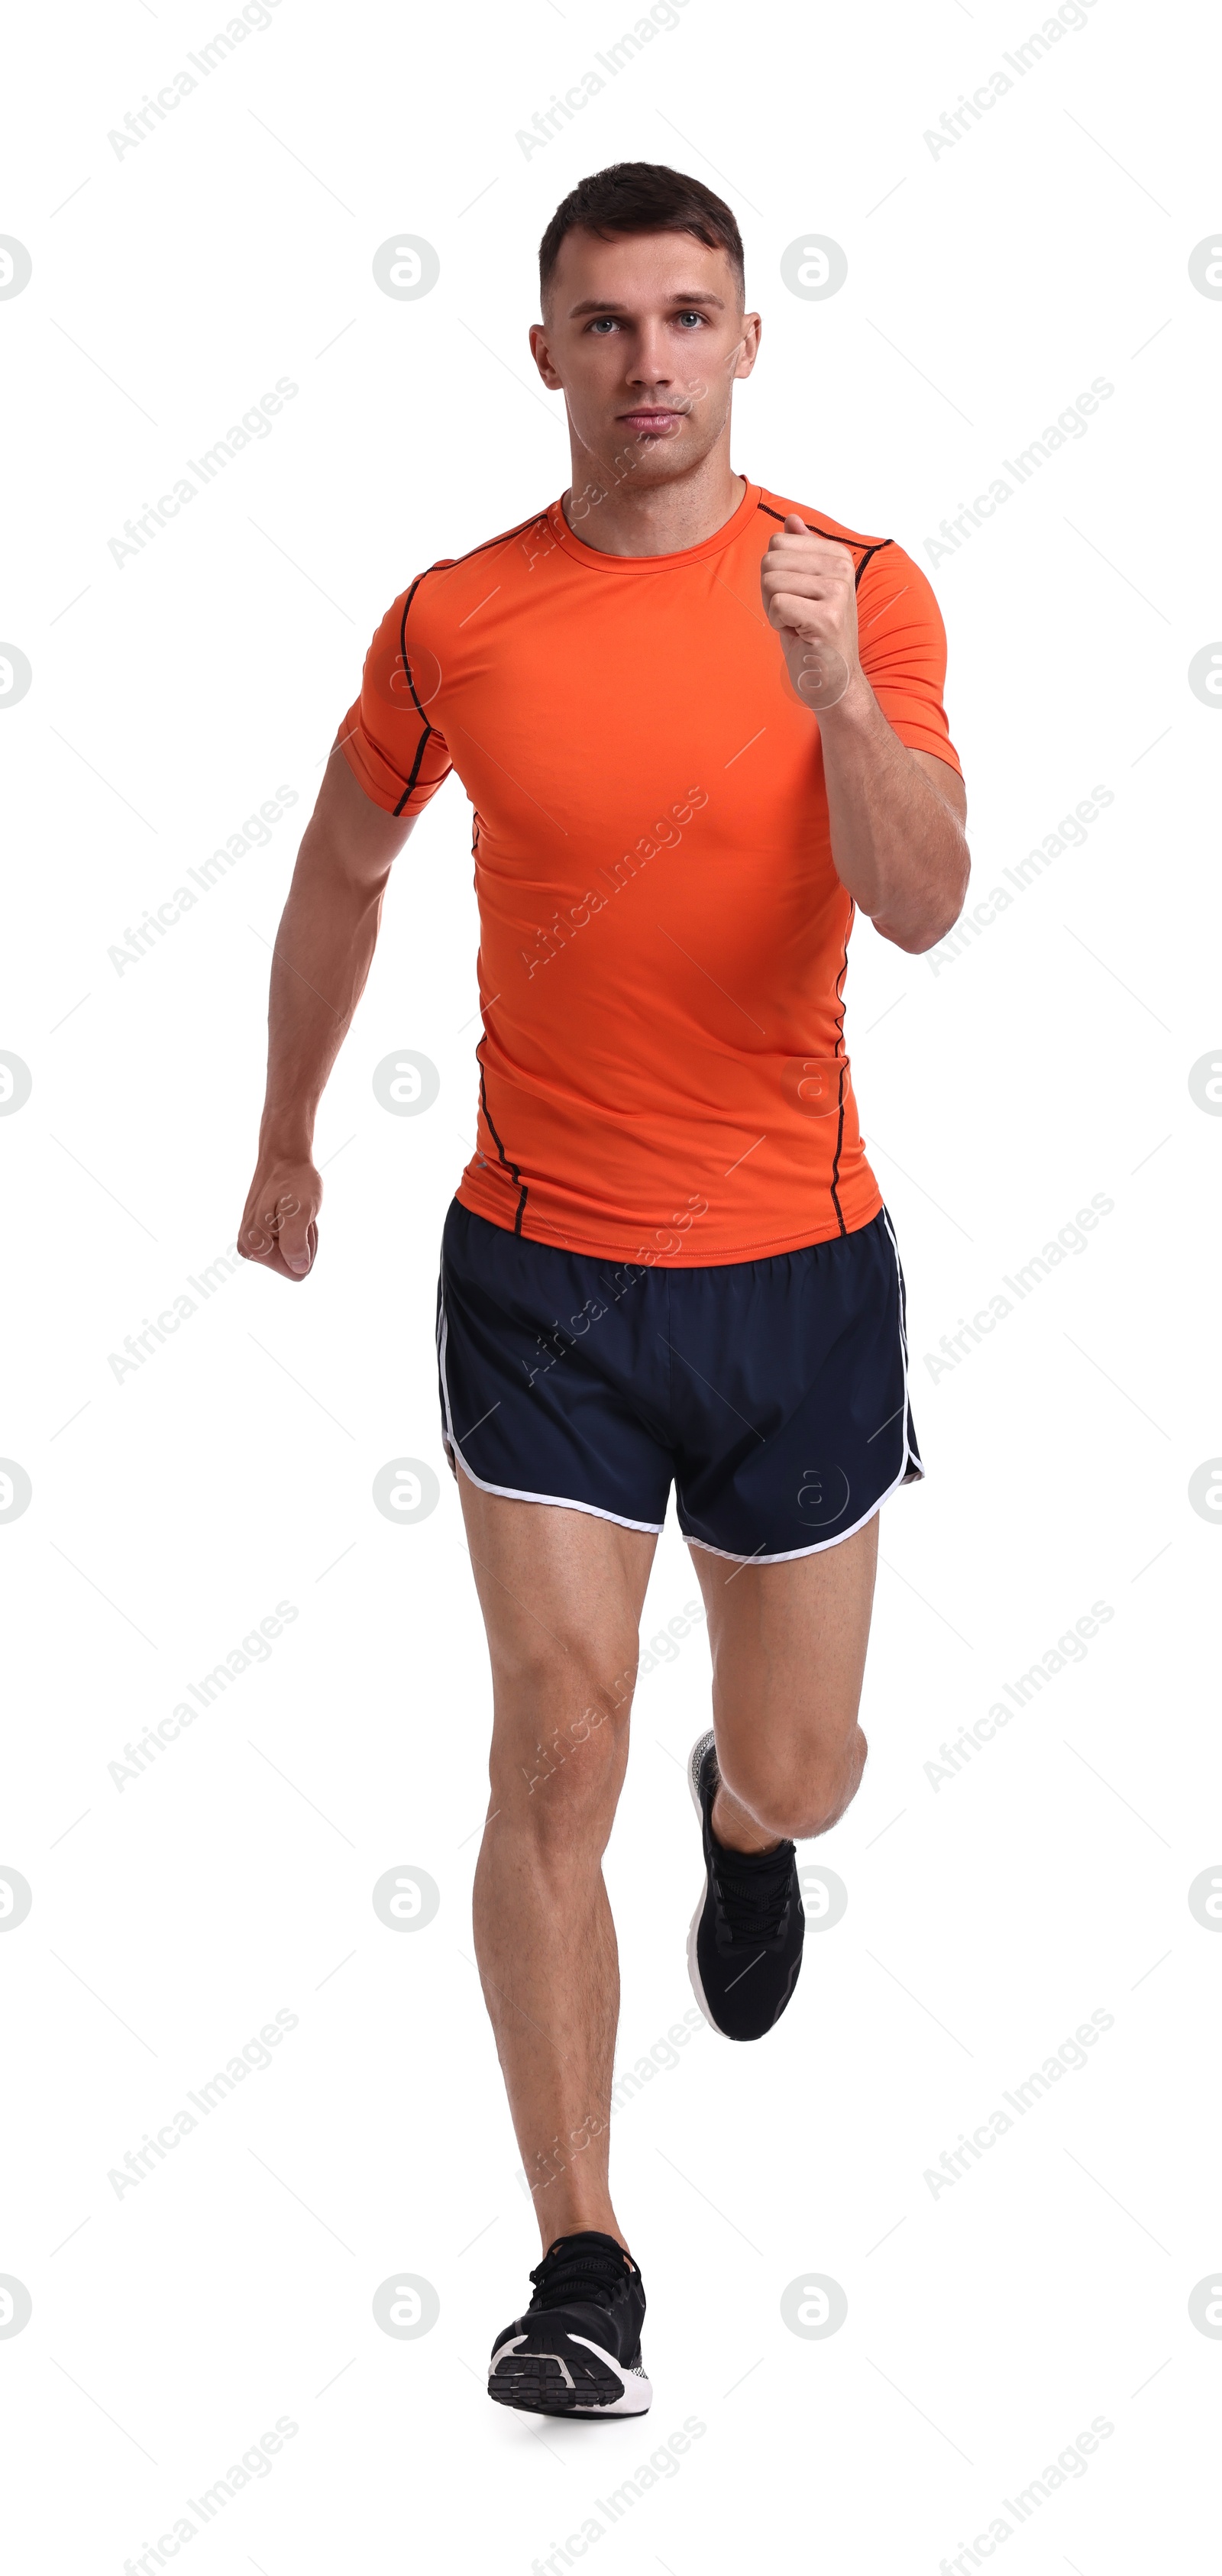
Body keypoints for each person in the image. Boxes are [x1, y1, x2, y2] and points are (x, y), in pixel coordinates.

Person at [238, 160, 969, 2419]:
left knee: (811, 1758)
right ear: (545, 354)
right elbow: (345, 862)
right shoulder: (459, 618)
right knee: (548, 1743)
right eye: (605, 322)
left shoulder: (858, 587)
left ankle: (741, 1830)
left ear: (750, 342)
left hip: (799, 1277)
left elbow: (924, 899)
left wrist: (838, 688)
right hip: (544, 1272)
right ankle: (584, 2262)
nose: (648, 359)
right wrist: (282, 1132)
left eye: (687, 315)